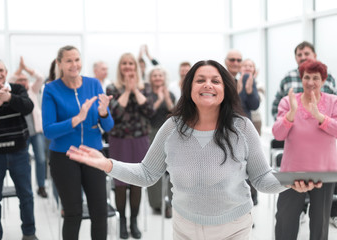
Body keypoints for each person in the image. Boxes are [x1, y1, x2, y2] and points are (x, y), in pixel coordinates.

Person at [67, 59, 319, 240]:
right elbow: (146, 174)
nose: (208, 84)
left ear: (224, 89)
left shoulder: (241, 127)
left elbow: (262, 179)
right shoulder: (172, 128)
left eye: (215, 80)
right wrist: (107, 164)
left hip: (234, 228)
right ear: (189, 88)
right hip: (185, 228)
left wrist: (289, 181)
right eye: (200, 80)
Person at [42, 45, 114, 240]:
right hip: (64, 156)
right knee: (73, 213)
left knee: (99, 212)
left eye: (77, 59)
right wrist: (77, 119)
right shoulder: (51, 89)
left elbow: (108, 127)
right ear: (60, 64)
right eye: (69, 60)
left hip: (93, 155)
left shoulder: (94, 84)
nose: (74, 64)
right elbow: (48, 130)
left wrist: (103, 113)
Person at [272, 60, 337, 240]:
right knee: (286, 220)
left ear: (323, 80)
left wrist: (319, 116)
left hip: (325, 172)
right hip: (292, 172)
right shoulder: (288, 101)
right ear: (301, 78)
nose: (310, 81)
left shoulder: (333, 102)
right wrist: (292, 113)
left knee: (320, 224)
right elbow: (278, 134)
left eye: (315, 77)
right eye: (306, 77)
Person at [0, 59, 38, 240]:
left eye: (1, 70)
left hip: (18, 152)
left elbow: (28, 107)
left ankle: (29, 233)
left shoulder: (17, 89)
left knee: (26, 195)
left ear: (6, 72)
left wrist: (9, 98)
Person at [105, 52, 154, 239]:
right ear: (120, 67)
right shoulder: (112, 88)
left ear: (136, 66)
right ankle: (122, 222)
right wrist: (126, 90)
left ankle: (134, 221)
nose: (128, 67)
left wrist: (135, 90)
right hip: (119, 141)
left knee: (136, 183)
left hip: (140, 140)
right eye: (124, 63)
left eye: (131, 63)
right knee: (120, 183)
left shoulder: (145, 87)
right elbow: (115, 113)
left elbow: (149, 110)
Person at [225, 51, 260, 206]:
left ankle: (249, 201)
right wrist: (238, 92)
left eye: (239, 60)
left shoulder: (246, 80)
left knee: (246, 166)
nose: (236, 62)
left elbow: (254, 105)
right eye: (232, 59)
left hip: (244, 129)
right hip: (225, 128)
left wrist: (249, 89)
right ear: (226, 61)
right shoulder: (220, 80)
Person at [11, 56, 48, 198]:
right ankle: (26, 187)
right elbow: (10, 80)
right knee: (24, 161)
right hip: (21, 133)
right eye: (19, 80)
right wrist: (19, 70)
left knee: (41, 159)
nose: (22, 82)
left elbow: (40, 77)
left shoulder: (33, 90)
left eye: (24, 79)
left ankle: (41, 186)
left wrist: (26, 69)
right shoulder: (13, 93)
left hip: (37, 132)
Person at [271, 41, 336, 119]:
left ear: (314, 55)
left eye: (306, 54)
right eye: (299, 55)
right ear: (295, 58)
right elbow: (276, 106)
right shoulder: (288, 78)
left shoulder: (327, 76)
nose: (303, 57)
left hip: (323, 127)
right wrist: (284, 124)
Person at [146, 66, 175, 218]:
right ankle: (156, 204)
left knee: (170, 169)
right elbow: (148, 112)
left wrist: (166, 98)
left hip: (169, 133)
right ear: (150, 78)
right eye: (155, 75)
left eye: (160, 75)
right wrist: (159, 99)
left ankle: (170, 202)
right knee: (154, 169)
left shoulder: (170, 93)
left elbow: (174, 112)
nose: (157, 78)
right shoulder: (147, 94)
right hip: (151, 133)